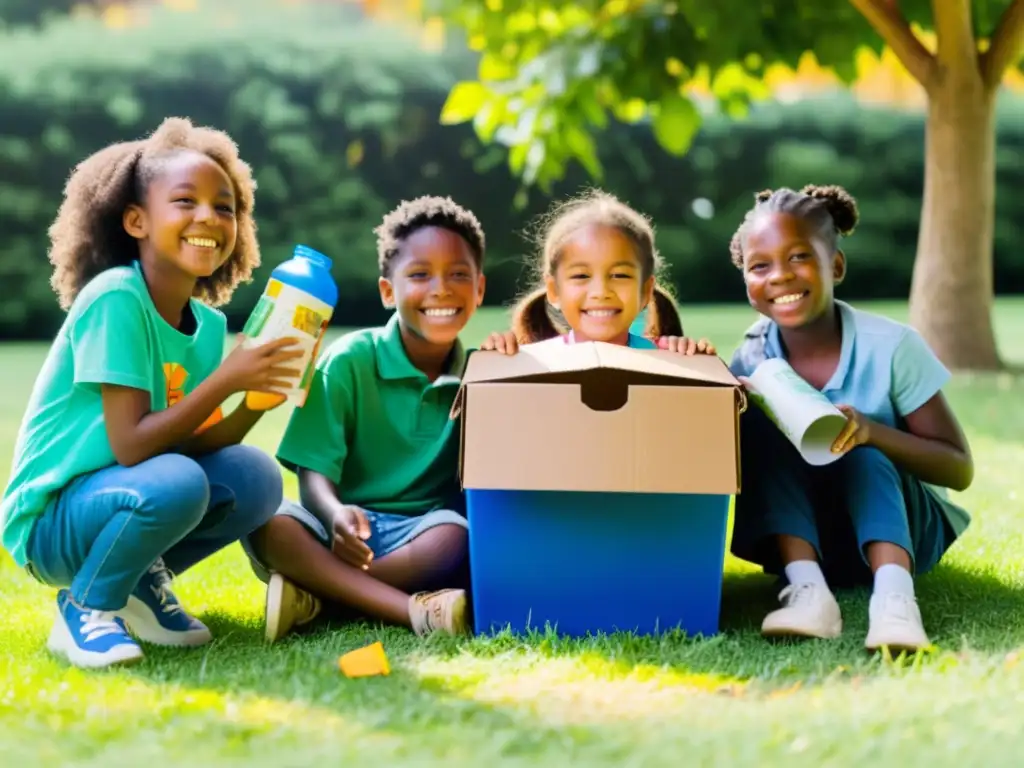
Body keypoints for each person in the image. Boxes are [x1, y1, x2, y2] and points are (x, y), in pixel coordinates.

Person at [1, 117, 301, 669]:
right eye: (185, 201)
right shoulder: (116, 298)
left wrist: (254, 403)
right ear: (136, 220)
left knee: (256, 478)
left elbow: (188, 440)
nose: (209, 216)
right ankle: (87, 607)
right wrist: (226, 380)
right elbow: (134, 447)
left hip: (126, 493)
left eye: (225, 206)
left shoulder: (207, 328)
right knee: (178, 481)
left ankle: (136, 584)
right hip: (52, 521)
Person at [727, 184, 974, 653]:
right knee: (760, 425)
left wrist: (873, 432)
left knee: (861, 452)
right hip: (811, 542)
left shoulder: (892, 347)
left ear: (835, 266)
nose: (779, 276)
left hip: (899, 529)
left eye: (799, 257)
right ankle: (808, 593)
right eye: (760, 266)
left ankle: (895, 602)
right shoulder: (753, 353)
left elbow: (959, 468)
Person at [246, 196, 487, 642]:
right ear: (387, 291)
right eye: (419, 275)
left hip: (419, 536)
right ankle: (412, 611)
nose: (441, 288)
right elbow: (313, 471)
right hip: (339, 527)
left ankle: (316, 596)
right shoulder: (349, 360)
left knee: (454, 537)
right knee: (267, 519)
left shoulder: (482, 374)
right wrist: (336, 514)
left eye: (458, 275)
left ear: (479, 290)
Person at [481, 189, 714, 355]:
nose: (601, 292)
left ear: (646, 291)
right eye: (581, 276)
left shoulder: (671, 359)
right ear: (553, 290)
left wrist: (699, 362)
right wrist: (496, 356)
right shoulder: (529, 363)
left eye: (619, 275)